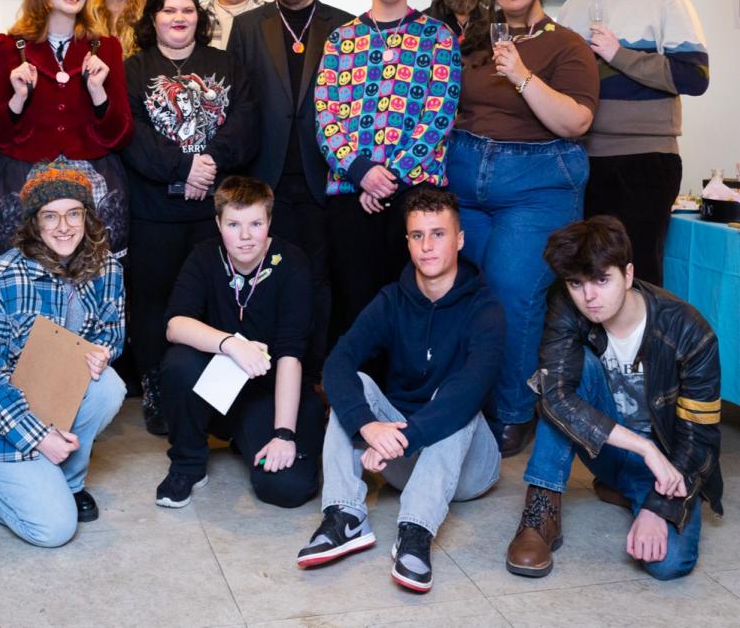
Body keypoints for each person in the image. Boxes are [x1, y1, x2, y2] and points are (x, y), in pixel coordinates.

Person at [297, 187, 504, 593]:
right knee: (351, 385)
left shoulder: (485, 309)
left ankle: (415, 530)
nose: (427, 246)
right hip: (400, 455)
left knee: (456, 400)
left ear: (459, 239)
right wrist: (370, 427)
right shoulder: (393, 299)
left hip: (469, 466)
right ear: (407, 241)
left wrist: (403, 437)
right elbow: (338, 362)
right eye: (417, 235)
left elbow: (469, 391)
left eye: (438, 234)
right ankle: (345, 515)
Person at [506, 215, 722, 581]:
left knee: (669, 563)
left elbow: (699, 440)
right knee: (568, 377)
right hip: (611, 446)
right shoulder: (565, 305)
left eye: (602, 280)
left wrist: (658, 506)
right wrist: (643, 448)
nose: (589, 297)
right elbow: (556, 398)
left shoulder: (689, 330)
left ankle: (630, 491)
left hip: (666, 463)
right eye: (576, 283)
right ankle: (540, 512)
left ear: (628, 273)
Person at [445, 0, 599, 457]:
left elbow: (576, 122)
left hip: (535, 182)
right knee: (457, 288)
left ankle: (512, 412)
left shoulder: (566, 46)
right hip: (466, 176)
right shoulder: (477, 42)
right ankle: (460, 402)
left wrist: (523, 77)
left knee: (513, 292)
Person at [0, 161, 127, 547]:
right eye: (50, 216)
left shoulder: (107, 267)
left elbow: (113, 331)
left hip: (51, 397)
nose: (64, 226)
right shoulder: (3, 281)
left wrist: (104, 352)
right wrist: (39, 437)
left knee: (108, 385)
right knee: (54, 530)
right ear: (34, 224)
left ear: (87, 217)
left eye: (73, 213)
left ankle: (69, 482)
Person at [120, 0, 256, 435]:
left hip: (211, 213)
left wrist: (209, 165)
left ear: (200, 18)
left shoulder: (226, 64)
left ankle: (214, 394)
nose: (179, 18)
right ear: (153, 19)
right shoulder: (133, 70)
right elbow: (132, 135)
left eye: (187, 10)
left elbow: (245, 121)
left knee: (215, 300)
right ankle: (158, 390)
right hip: (153, 211)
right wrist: (183, 168)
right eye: (169, 11)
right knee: (153, 303)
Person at [315, 0, 461, 339]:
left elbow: (439, 115)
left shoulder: (438, 37)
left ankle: (408, 400)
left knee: (414, 306)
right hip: (349, 193)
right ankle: (355, 397)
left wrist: (386, 178)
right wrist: (362, 172)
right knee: (354, 305)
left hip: (416, 194)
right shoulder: (342, 39)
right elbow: (325, 114)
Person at [557, 0, 709, 286]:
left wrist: (618, 54)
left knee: (638, 270)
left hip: (647, 159)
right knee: (590, 271)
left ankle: (645, 348)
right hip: (586, 157)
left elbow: (694, 77)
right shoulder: (572, 8)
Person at [156, 176, 325, 509]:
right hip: (222, 385)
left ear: (269, 222)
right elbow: (175, 325)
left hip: (272, 390)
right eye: (234, 224)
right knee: (179, 363)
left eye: (255, 224)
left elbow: (292, 353)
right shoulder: (205, 256)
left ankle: (247, 435)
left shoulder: (292, 263)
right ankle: (188, 464)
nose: (245, 236)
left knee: (286, 489)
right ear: (218, 223)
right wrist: (231, 344)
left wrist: (283, 435)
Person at [228, 0, 351, 381]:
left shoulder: (343, 25)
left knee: (319, 281)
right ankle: (263, 372)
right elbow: (238, 103)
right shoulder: (248, 27)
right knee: (265, 278)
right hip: (266, 176)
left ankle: (315, 373)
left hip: (325, 176)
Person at [0, 0, 133, 269]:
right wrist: (17, 100)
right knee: (22, 281)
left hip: (93, 184)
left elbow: (120, 135)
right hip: (22, 179)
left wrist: (98, 93)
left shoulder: (106, 48)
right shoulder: (9, 46)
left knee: (91, 282)